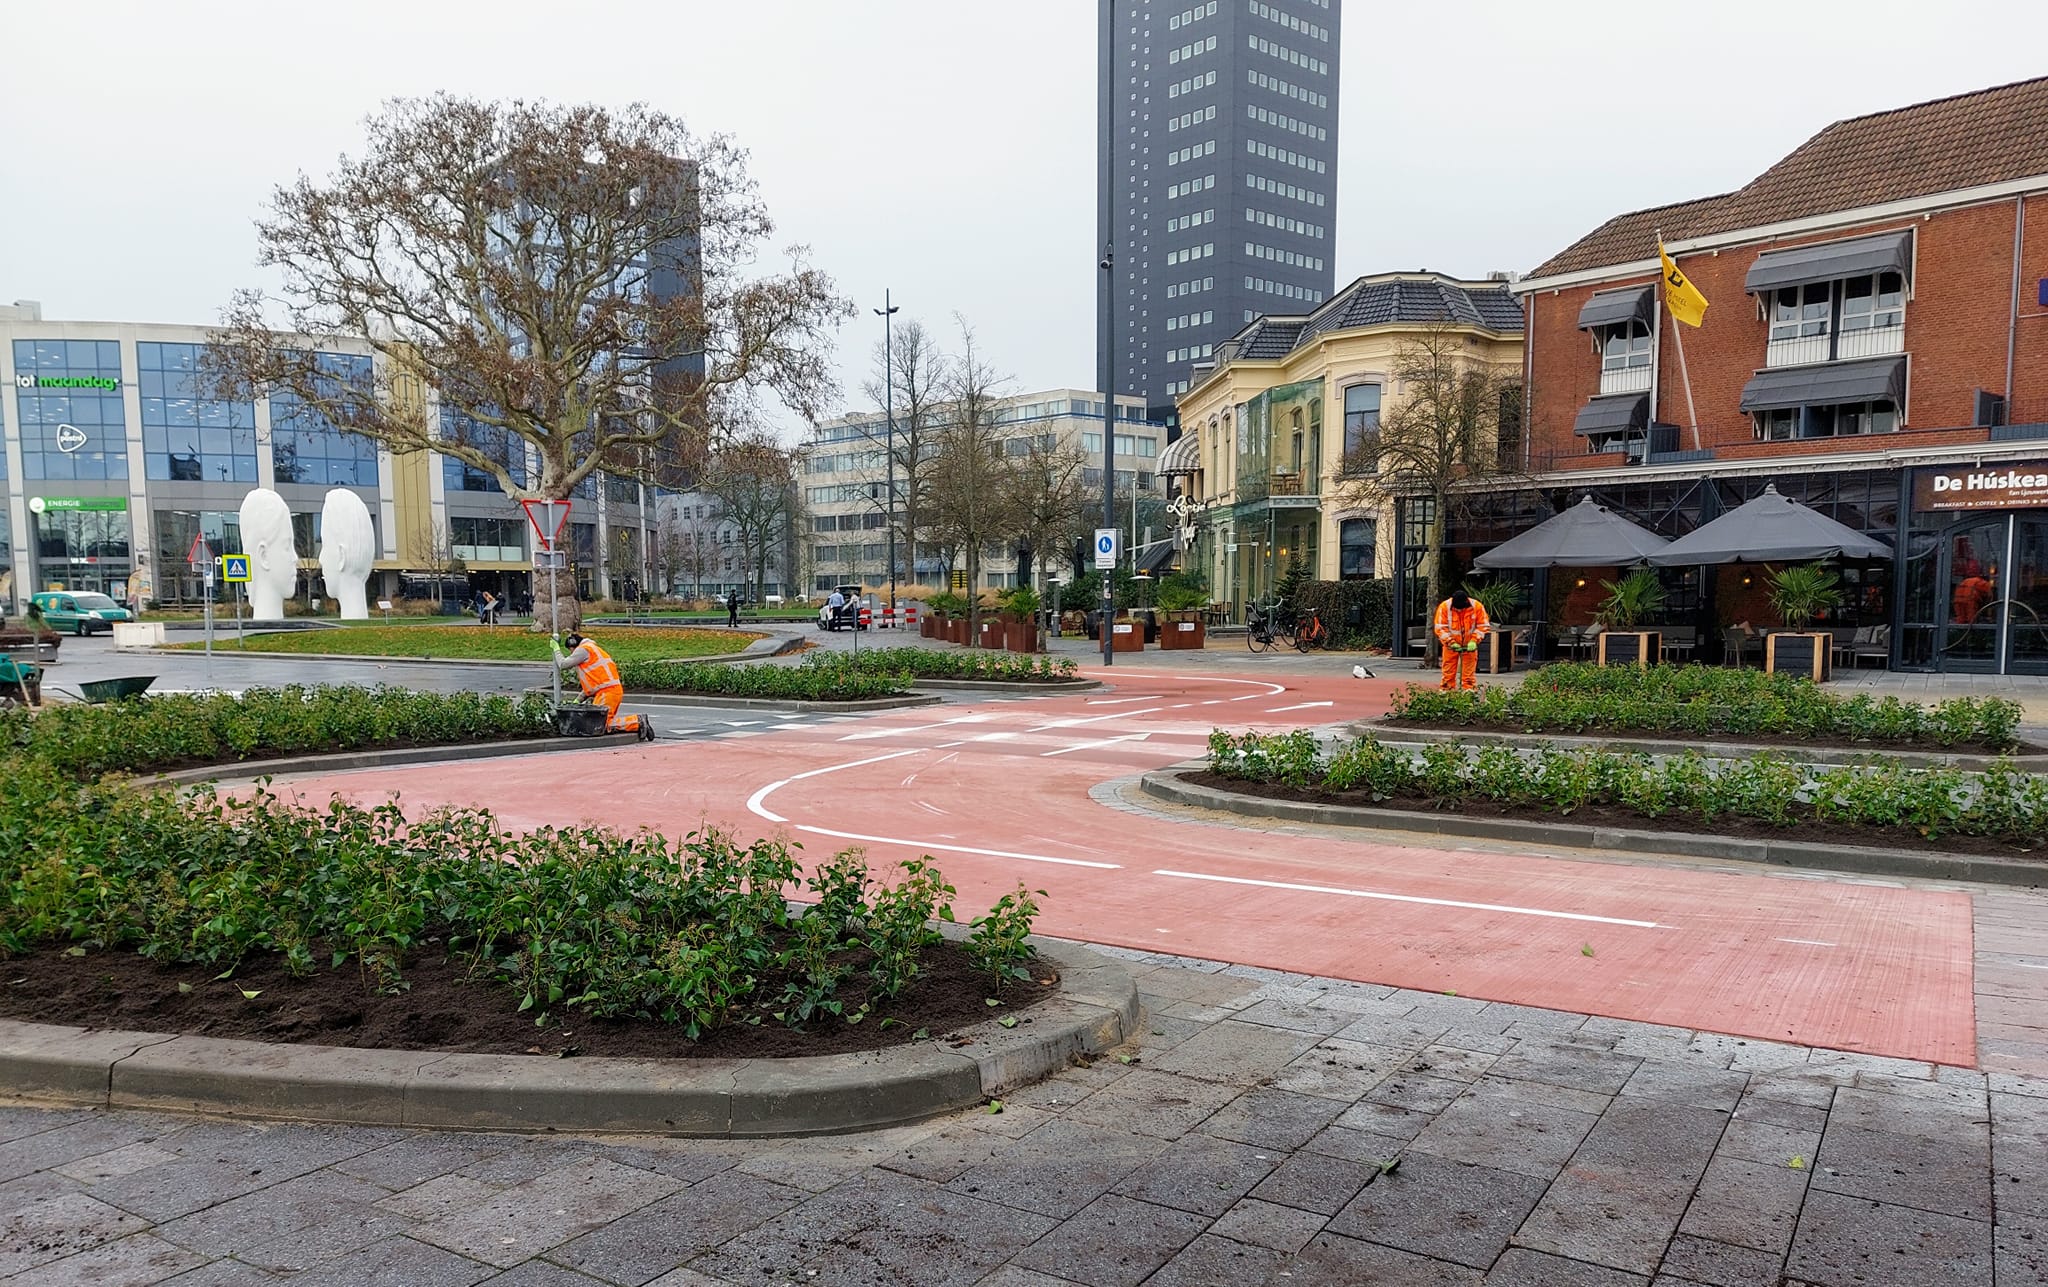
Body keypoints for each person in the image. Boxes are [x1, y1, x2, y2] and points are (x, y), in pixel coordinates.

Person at [550, 631, 652, 739]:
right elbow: (594, 684)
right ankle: (638, 722)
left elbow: (563, 664)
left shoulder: (583, 650)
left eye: (570, 650)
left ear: (573, 645)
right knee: (604, 721)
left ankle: (637, 721)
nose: (572, 654)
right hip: (610, 691)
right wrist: (578, 700)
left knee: (601, 724)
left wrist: (556, 648)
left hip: (607, 692)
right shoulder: (592, 649)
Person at [1433, 588, 1491, 692]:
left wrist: (1474, 640)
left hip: (1469, 645)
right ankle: (1446, 694)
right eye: (1457, 609)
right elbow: (1440, 627)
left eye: (1461, 609)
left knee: (1469, 675)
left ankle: (1469, 694)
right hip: (1450, 646)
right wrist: (1451, 642)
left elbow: (1483, 625)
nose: (1459, 611)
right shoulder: (1444, 607)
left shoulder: (1476, 606)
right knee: (1448, 674)